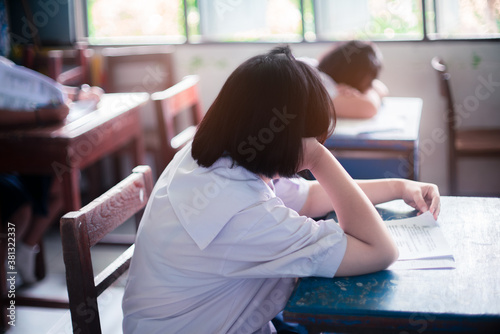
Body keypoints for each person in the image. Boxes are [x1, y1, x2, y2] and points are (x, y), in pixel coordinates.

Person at [122, 46, 440, 334]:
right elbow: (381, 251)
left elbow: (311, 197)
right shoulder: (241, 214)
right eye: (309, 140)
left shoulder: (211, 155)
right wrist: (318, 157)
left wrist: (399, 186)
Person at [0, 54, 103, 285]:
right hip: (8, 152)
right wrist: (43, 115)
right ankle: (9, 270)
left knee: (62, 181)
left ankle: (25, 250)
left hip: (17, 146)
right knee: (20, 207)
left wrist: (76, 94)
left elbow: (19, 88)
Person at [317, 40, 389, 119]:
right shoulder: (323, 84)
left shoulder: (315, 68)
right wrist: (367, 90)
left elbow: (382, 88)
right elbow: (370, 107)